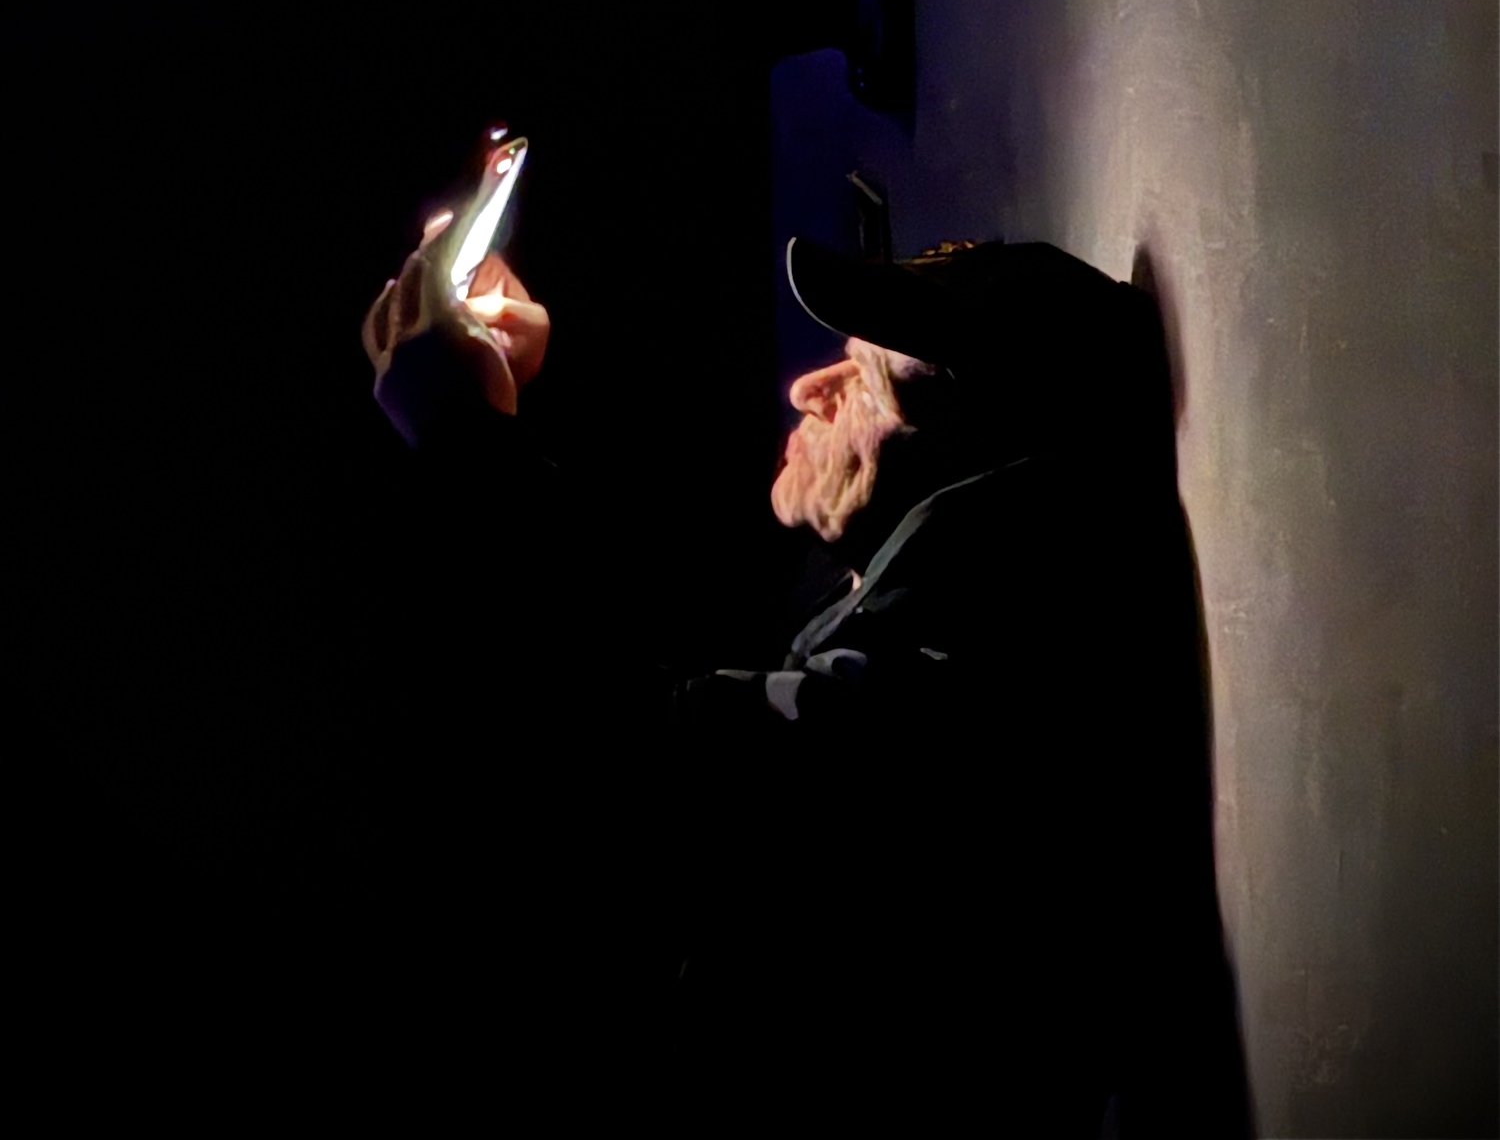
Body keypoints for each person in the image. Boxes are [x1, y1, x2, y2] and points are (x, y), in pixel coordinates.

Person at [361, 206, 1250, 1134]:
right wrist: (503, 405)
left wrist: (467, 443)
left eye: (867, 382)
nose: (807, 388)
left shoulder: (976, 681)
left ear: (973, 454)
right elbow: (652, 627)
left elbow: (632, 760)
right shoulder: (908, 582)